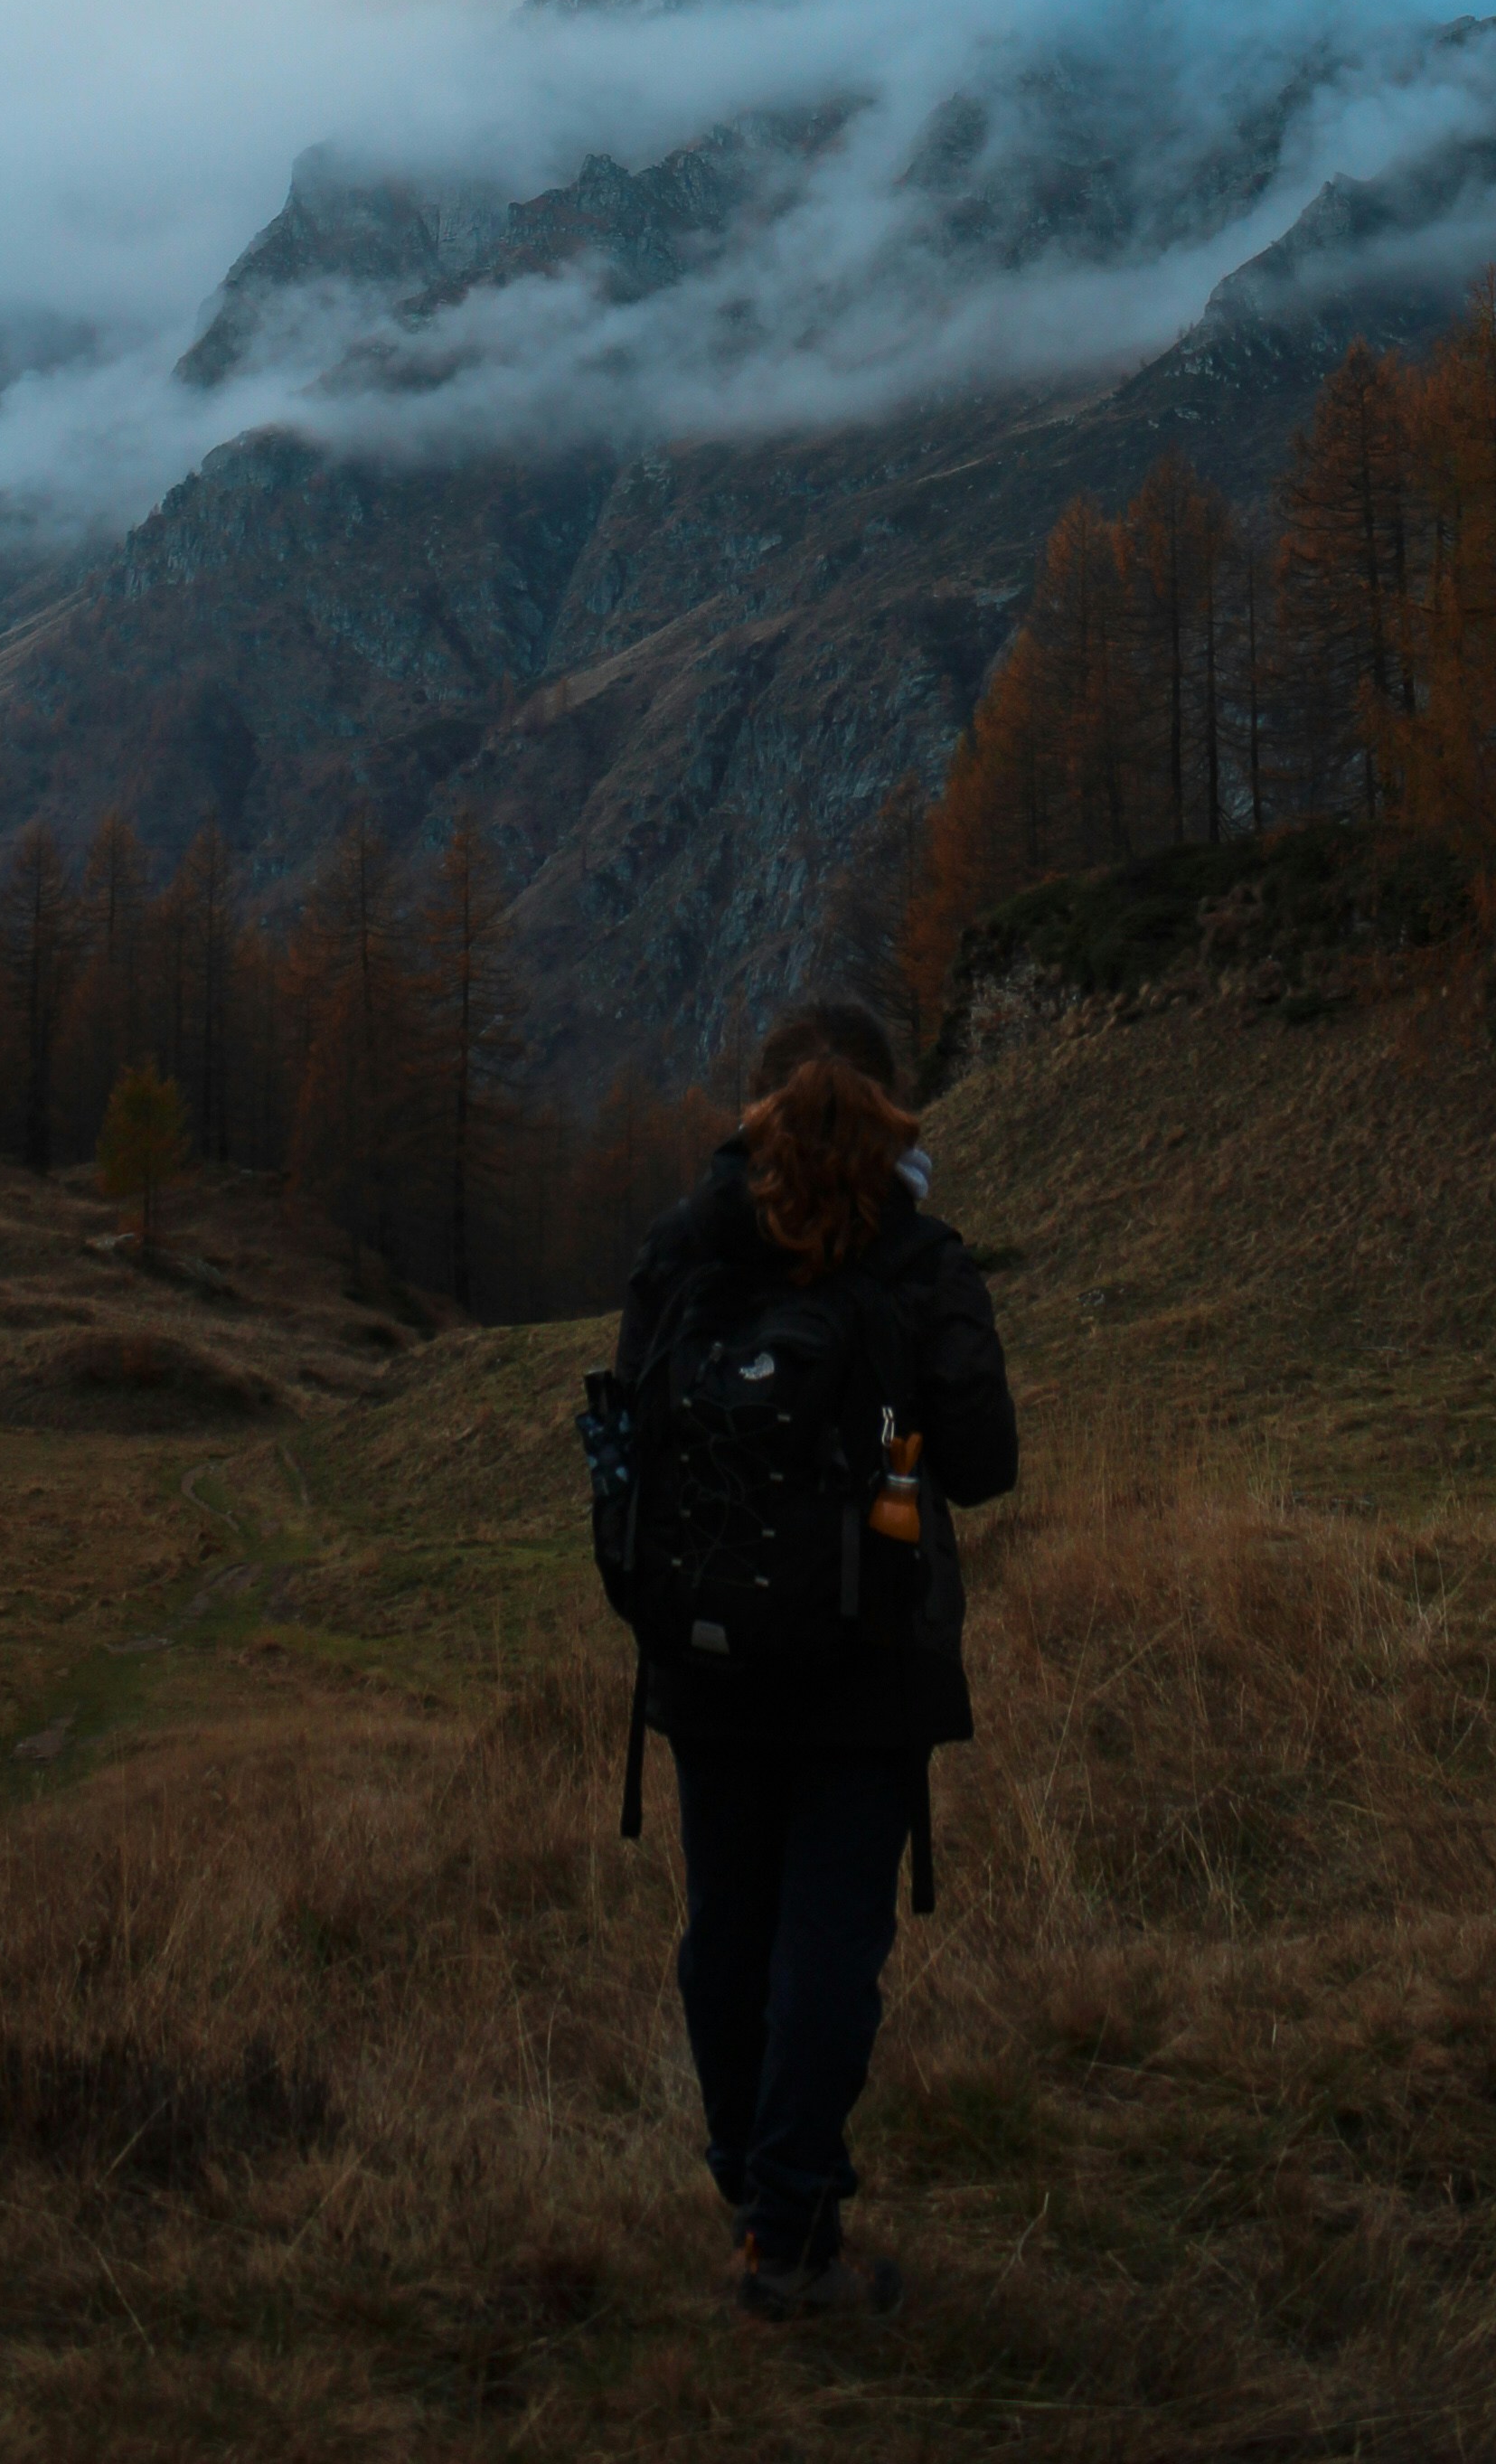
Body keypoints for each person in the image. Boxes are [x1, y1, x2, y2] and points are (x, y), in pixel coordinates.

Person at [608, 994, 1020, 2323]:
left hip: (707, 1655)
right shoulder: (918, 1257)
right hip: (864, 1662)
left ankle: (756, 2197)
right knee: (827, 1947)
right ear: (896, 1113)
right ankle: (790, 2234)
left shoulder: (686, 1247)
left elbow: (632, 1441)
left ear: (755, 1109)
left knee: (726, 1929)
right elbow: (989, 1462)